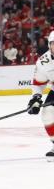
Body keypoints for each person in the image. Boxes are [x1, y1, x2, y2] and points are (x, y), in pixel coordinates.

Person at [26, 29, 54, 160]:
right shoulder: (44, 62)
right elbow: (38, 83)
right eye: (53, 43)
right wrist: (36, 98)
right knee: (47, 113)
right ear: (49, 45)